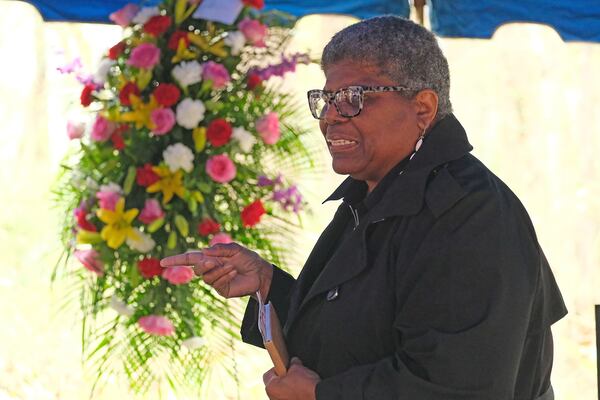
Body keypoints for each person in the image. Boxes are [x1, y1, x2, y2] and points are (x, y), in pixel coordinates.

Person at [161, 16, 567, 400]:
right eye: (327, 98)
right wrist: (268, 287)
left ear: (422, 109)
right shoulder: (374, 192)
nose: (331, 117)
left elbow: (458, 385)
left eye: (354, 98)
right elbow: (356, 330)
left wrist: (322, 394)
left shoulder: (470, 214)